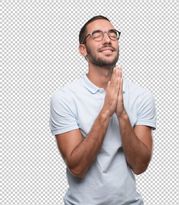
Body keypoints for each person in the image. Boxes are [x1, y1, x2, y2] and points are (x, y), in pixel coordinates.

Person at [49, 15, 156, 205]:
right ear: (83, 49)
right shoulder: (65, 98)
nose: (107, 40)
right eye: (97, 35)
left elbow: (140, 166)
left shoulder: (141, 96)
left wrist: (122, 115)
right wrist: (106, 112)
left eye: (112, 34)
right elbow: (77, 167)